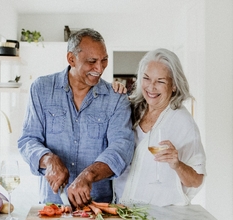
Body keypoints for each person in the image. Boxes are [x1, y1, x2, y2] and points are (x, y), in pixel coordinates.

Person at [18, 28, 135, 208]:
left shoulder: (116, 98)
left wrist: (88, 175)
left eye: (104, 60)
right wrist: (48, 159)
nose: (100, 68)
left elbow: (121, 148)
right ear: (71, 59)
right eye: (92, 61)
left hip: (97, 207)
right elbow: (28, 140)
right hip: (52, 206)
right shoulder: (41, 89)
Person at [113, 48, 206, 206]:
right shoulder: (130, 108)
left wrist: (177, 164)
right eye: (147, 78)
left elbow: (196, 180)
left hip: (158, 215)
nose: (151, 87)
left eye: (160, 81)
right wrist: (111, 93)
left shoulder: (182, 122)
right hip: (120, 208)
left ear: (174, 85)